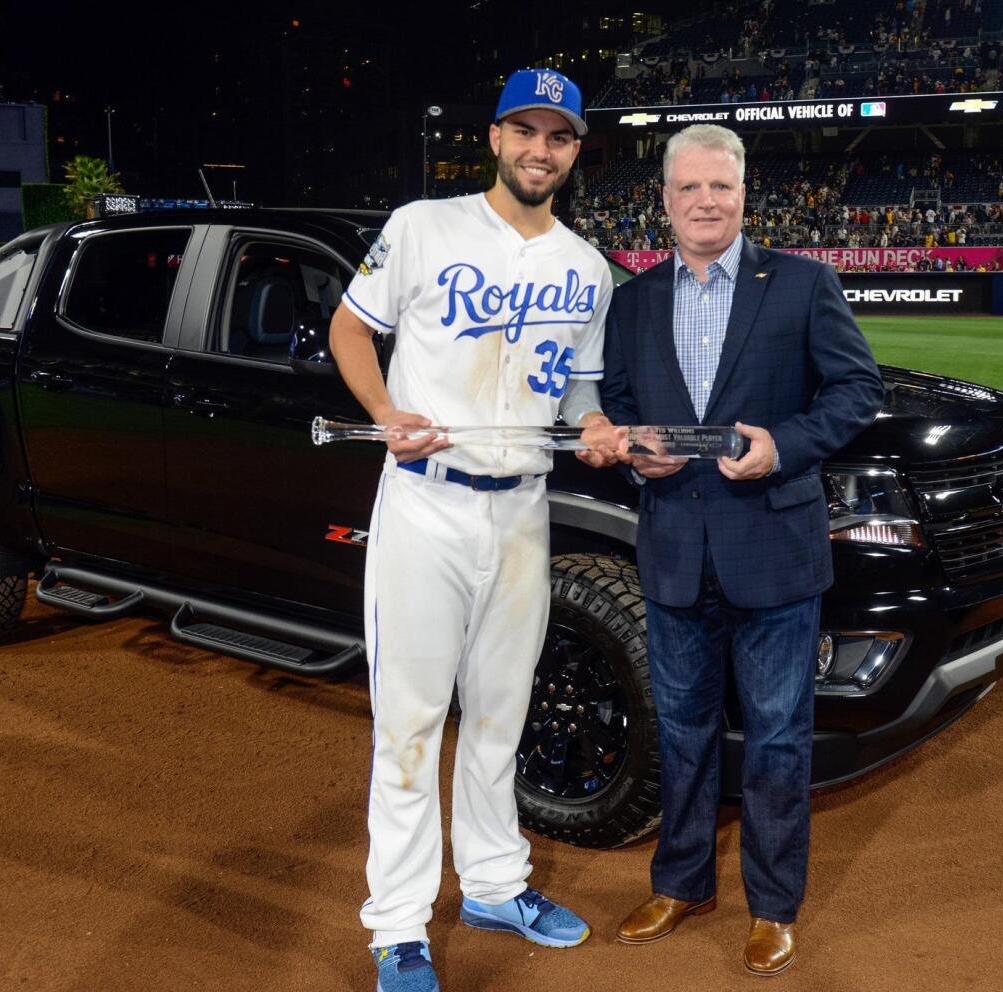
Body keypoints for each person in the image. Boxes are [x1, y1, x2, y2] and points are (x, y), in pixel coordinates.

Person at [327, 68, 623, 992]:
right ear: (495, 137)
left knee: (502, 711)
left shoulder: (588, 268)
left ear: (575, 151)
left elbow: (577, 394)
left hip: (523, 510)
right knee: (410, 724)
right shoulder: (423, 225)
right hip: (425, 500)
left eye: (560, 136)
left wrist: (597, 428)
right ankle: (400, 926)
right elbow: (348, 328)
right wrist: (383, 410)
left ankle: (495, 882)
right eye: (526, 131)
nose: (542, 149)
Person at [601, 124, 883, 977]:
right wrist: (634, 449)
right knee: (682, 730)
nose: (705, 202)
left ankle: (772, 906)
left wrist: (785, 444)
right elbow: (616, 401)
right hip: (675, 551)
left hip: (775, 551)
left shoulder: (801, 283)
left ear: (743, 194)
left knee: (776, 739)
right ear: (665, 201)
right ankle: (681, 882)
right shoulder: (636, 300)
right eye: (688, 189)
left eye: (719, 187)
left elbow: (857, 388)